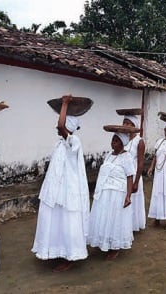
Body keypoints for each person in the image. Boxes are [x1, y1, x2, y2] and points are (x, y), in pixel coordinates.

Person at [31, 95, 90, 272]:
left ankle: (70, 256)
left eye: (62, 126)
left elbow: (60, 126)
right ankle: (56, 251)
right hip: (55, 190)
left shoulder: (74, 141)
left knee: (67, 222)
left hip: (68, 192)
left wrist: (64, 104)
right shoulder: (60, 143)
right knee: (55, 221)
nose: (57, 128)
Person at [87, 130, 135, 260]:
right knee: (104, 217)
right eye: (113, 140)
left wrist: (128, 196)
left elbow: (130, 177)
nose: (113, 143)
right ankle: (103, 241)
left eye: (116, 141)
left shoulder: (127, 157)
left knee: (115, 219)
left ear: (123, 143)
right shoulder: (109, 155)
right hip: (105, 191)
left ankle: (115, 247)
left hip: (117, 193)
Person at [122, 115, 146, 231]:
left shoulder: (139, 141)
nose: (125, 125)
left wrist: (136, 182)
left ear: (134, 125)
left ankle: (132, 225)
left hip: (134, 175)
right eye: (124, 123)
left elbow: (141, 163)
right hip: (122, 175)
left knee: (134, 200)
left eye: (128, 123)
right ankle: (123, 224)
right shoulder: (122, 139)